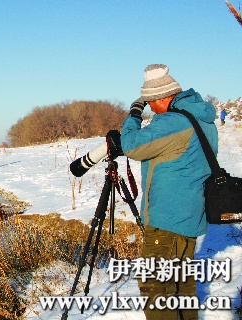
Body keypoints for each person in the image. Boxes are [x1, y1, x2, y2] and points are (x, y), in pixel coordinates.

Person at [120, 64, 218, 320]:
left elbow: (131, 146)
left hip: (168, 219)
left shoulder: (174, 122)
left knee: (155, 287)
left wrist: (133, 114)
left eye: (151, 103)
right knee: (180, 286)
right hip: (189, 214)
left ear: (163, 97)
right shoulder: (200, 117)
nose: (151, 108)